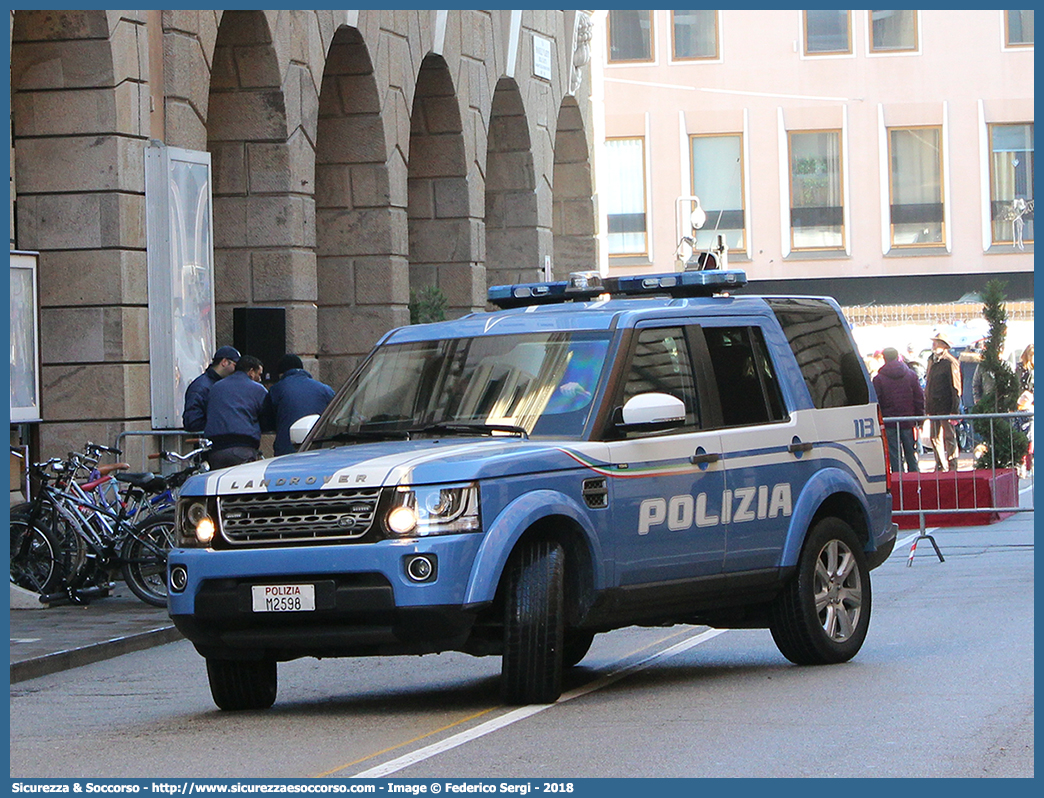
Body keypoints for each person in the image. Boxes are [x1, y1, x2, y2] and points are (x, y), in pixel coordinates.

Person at [203, 355, 275, 469]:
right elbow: (267, 420)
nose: (260, 379)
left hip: (216, 450)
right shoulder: (258, 390)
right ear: (251, 372)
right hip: (243, 447)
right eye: (259, 374)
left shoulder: (216, 387)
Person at [264, 354, 336, 456]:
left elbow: (267, 422)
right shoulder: (325, 389)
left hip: (287, 450)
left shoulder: (277, 389)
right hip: (320, 449)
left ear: (281, 373)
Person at [873, 347, 924, 473]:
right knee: (911, 454)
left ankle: (899, 483)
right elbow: (919, 398)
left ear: (884, 358)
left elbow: (877, 402)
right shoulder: (911, 375)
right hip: (908, 420)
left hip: (889, 420)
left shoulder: (878, 379)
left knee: (894, 456)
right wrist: (919, 418)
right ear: (898, 357)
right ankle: (915, 482)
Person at [924, 334, 962, 472]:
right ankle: (940, 465)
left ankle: (952, 465)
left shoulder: (950, 362)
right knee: (934, 437)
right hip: (933, 405)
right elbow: (928, 384)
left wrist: (954, 410)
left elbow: (956, 387)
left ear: (944, 345)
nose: (934, 345)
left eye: (937, 343)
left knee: (949, 436)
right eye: (934, 342)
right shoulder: (931, 360)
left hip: (946, 406)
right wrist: (927, 405)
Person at [183, 345, 240, 432]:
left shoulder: (210, 384)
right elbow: (193, 422)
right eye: (235, 365)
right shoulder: (201, 387)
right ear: (224, 362)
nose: (237, 370)